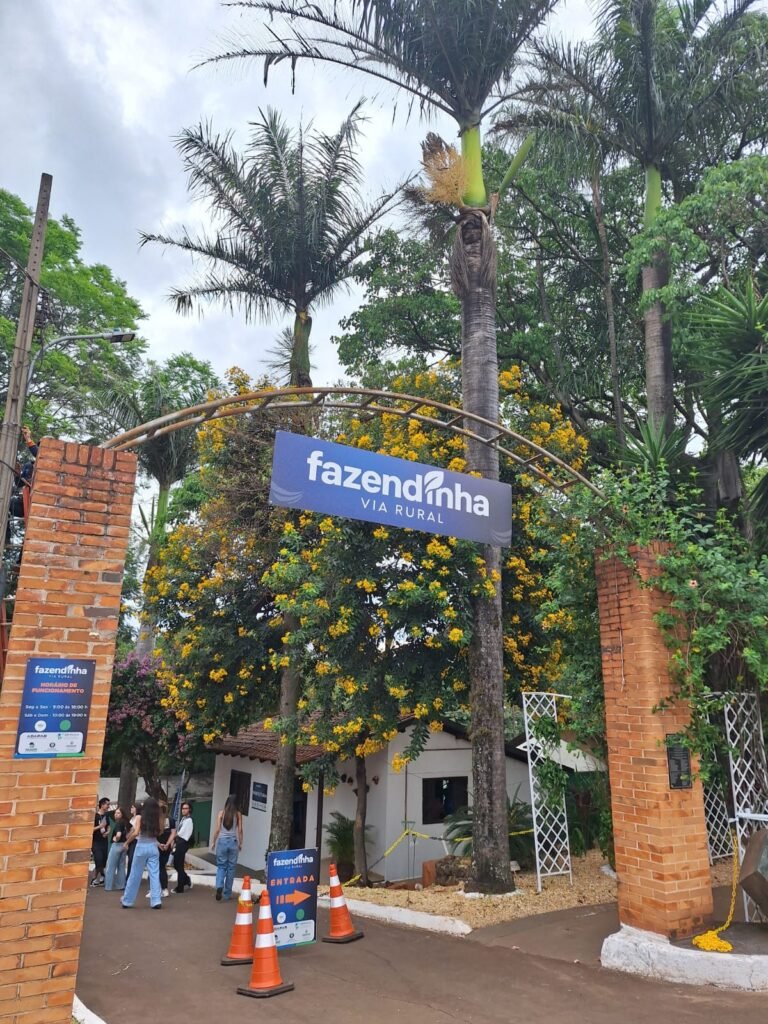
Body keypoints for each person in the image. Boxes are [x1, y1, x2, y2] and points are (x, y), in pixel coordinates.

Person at [120, 797, 162, 909]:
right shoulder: (157, 818)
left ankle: (127, 900)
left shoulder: (139, 817)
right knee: (154, 874)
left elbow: (136, 833)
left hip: (141, 846)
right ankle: (156, 900)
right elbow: (158, 833)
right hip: (153, 847)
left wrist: (127, 842)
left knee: (135, 874)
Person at [211, 795, 242, 902]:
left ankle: (219, 885)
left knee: (221, 866)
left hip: (222, 842)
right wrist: (240, 843)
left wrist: (214, 842)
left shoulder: (221, 813)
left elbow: (217, 830)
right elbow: (240, 830)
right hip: (233, 842)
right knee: (231, 868)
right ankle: (227, 894)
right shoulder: (238, 814)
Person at [154, 801, 176, 898]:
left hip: (157, 846)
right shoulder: (171, 820)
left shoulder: (155, 820)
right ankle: (163, 888)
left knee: (157, 867)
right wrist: (167, 844)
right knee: (162, 866)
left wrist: (159, 844)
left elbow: (152, 835)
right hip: (166, 847)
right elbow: (173, 833)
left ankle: (160, 888)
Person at [104, 807, 129, 891]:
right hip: (124, 845)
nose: (116, 814)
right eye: (115, 813)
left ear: (122, 814)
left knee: (110, 866)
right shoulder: (126, 822)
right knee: (121, 866)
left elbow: (118, 834)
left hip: (117, 845)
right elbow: (132, 830)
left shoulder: (118, 823)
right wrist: (127, 840)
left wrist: (116, 838)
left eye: (118, 813)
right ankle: (121, 885)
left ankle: (108, 886)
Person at [173, 801, 194, 894]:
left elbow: (181, 833)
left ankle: (180, 887)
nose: (183, 810)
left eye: (186, 808)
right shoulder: (183, 819)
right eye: (183, 808)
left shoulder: (189, 821)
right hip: (179, 842)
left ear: (189, 810)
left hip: (183, 843)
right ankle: (186, 879)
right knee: (176, 864)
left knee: (179, 865)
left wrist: (174, 836)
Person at [90, 797, 111, 887]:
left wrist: (108, 832)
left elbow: (108, 826)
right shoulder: (95, 816)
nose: (108, 806)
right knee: (98, 859)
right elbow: (90, 829)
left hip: (104, 841)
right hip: (96, 842)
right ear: (102, 805)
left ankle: (102, 876)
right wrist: (100, 826)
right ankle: (94, 878)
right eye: (107, 804)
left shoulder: (106, 816)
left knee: (103, 860)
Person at [125, 802, 141, 881]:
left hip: (136, 840)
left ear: (136, 808)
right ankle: (129, 877)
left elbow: (135, 831)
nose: (131, 809)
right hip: (131, 839)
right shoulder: (132, 818)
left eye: (133, 807)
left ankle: (131, 878)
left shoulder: (138, 817)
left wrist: (127, 842)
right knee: (130, 860)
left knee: (132, 860)